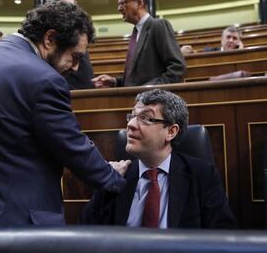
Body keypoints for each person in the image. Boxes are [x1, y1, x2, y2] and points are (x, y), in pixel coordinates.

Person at [0, 2, 130, 233]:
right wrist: (113, 177)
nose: (77, 68)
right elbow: (72, 146)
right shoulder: (44, 79)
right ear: (50, 38)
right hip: (11, 226)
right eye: (74, 56)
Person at [81, 89, 237, 229]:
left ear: (171, 131)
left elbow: (223, 234)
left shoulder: (202, 175)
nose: (131, 124)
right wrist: (104, 186)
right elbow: (87, 234)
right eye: (133, 116)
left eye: (146, 118)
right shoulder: (118, 176)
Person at [92, 0, 185, 87]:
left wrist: (150, 92)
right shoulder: (136, 32)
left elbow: (177, 67)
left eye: (123, 3)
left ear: (139, 3)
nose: (119, 8)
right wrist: (114, 81)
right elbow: (135, 79)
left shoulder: (158, 25)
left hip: (151, 100)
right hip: (135, 99)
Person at [46, 0, 95, 90]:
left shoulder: (79, 32)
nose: (72, 12)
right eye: (66, 7)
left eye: (74, 7)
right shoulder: (49, 38)